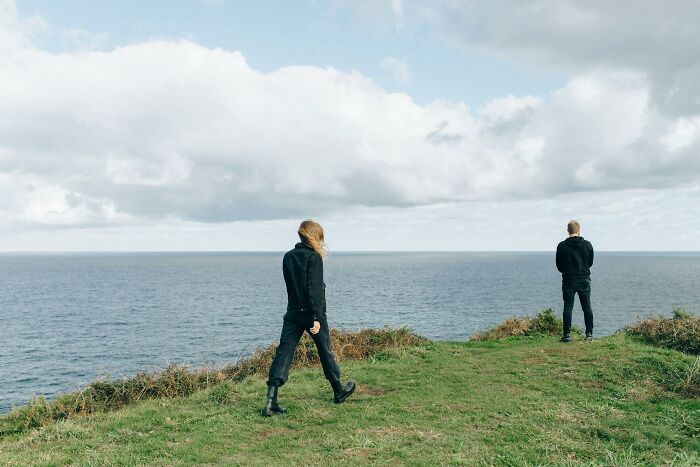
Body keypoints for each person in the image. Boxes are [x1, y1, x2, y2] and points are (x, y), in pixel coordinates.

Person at [262, 220, 355, 417]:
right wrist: (316, 318)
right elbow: (314, 290)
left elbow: (292, 288)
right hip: (313, 315)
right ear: (315, 236)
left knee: (283, 353)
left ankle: (270, 402)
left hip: (293, 313)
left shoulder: (288, 257)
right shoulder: (314, 258)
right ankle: (339, 391)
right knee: (325, 351)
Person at [555, 220, 594, 342]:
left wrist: (567, 271)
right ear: (579, 230)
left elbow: (559, 265)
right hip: (584, 279)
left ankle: (566, 335)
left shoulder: (562, 246)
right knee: (587, 307)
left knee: (568, 308)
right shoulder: (587, 245)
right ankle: (589, 334)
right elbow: (590, 263)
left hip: (568, 280)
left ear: (568, 231)